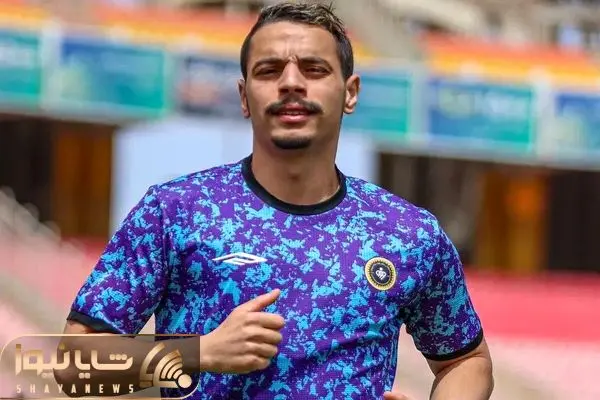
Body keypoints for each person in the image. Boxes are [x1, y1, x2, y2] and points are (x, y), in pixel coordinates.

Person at [62, 2, 493, 399]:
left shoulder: (407, 234)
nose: (290, 83)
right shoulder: (176, 211)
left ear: (350, 92)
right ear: (244, 96)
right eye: (269, 70)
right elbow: (71, 364)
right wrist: (199, 353)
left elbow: (466, 361)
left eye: (314, 69)